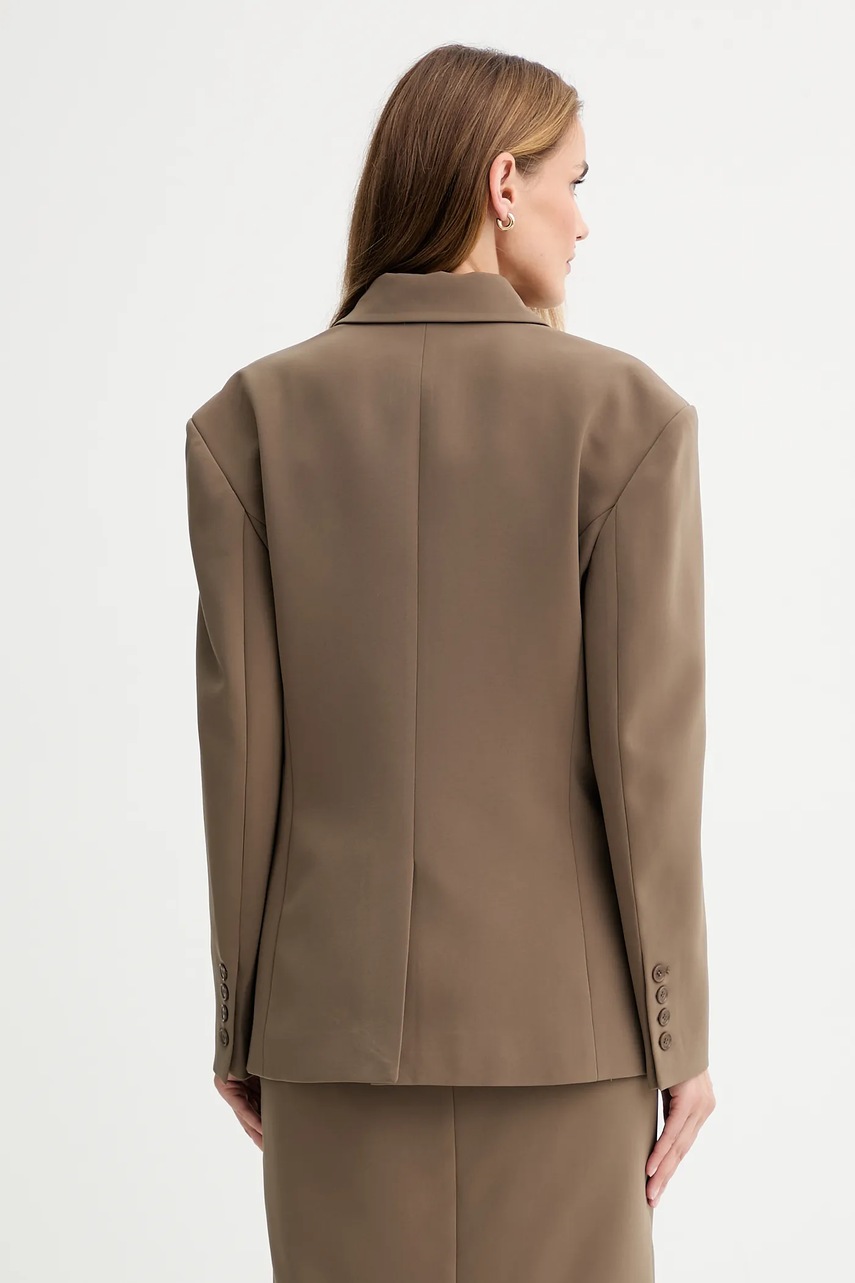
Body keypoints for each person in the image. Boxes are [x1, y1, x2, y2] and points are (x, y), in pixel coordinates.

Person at [184, 40, 716, 1283]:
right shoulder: (628, 419)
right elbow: (645, 762)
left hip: (330, 1038)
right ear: (502, 184)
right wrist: (679, 1030)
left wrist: (242, 1018)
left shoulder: (249, 423)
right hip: (568, 1042)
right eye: (575, 182)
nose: (584, 221)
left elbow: (242, 756)